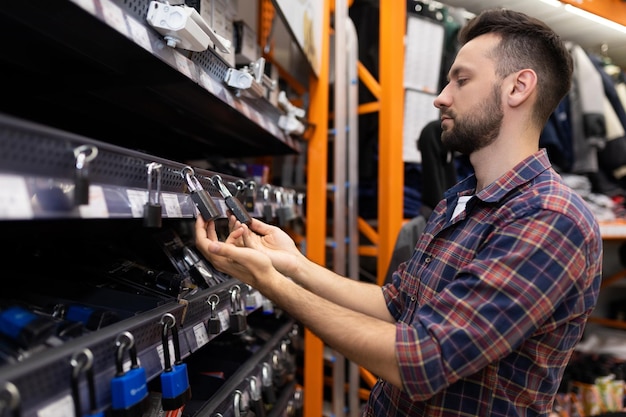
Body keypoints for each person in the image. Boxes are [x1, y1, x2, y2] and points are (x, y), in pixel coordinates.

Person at [195, 8, 603, 417]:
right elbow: (395, 304)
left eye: (461, 80)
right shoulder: (461, 199)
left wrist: (271, 284)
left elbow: (422, 360)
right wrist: (292, 265)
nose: (442, 97)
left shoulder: (550, 218)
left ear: (518, 88)